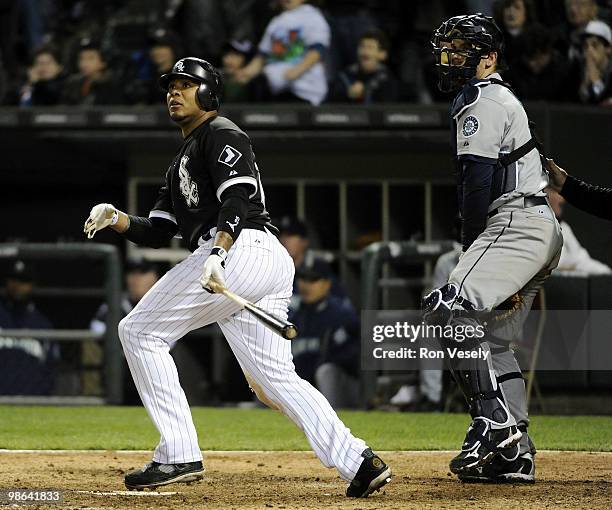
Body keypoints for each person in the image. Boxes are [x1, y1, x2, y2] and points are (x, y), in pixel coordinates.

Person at [83, 57, 391, 497]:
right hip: (252, 257)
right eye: (171, 85)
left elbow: (239, 197)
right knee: (273, 381)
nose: (175, 91)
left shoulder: (221, 132)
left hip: (240, 247)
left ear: (208, 94)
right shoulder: (178, 164)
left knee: (138, 331)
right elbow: (160, 228)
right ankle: (358, 461)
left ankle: (178, 453)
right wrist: (115, 218)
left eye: (187, 85)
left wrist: (220, 252)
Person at [427, 14, 563, 483]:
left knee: (448, 308)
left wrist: (470, 252)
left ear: (489, 58)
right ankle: (515, 453)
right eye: (448, 48)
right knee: (496, 341)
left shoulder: (482, 99)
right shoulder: (502, 98)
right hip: (537, 226)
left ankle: (493, 421)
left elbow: (476, 185)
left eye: (461, 48)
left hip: (516, 222)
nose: (450, 58)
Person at [289, 258, 360, 409]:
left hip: (347, 388)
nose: (306, 285)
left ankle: (332, 421)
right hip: (309, 389)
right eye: (303, 278)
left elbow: (354, 361)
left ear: (327, 284)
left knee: (326, 371)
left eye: (313, 279)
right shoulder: (295, 316)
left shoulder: (341, 314)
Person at [235, 0, 331, 105]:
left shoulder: (313, 17)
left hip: (304, 88)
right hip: (277, 87)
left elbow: (317, 50)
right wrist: (246, 73)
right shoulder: (276, 21)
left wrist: (298, 69)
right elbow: (262, 56)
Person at [0, 260, 58, 395]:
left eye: (23, 281)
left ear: (32, 285)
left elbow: (50, 369)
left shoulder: (42, 324)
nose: (17, 286)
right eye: (13, 279)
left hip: (31, 401)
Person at [547, 191, 611, 275]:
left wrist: (606, 273)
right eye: (557, 193)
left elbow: (581, 259)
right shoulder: (530, 226)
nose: (562, 201)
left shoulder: (564, 227)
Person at [331, 29, 399, 104]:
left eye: (370, 47)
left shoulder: (388, 78)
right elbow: (332, 103)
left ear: (382, 54)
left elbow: (389, 106)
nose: (365, 51)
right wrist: (347, 94)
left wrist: (365, 93)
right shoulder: (346, 75)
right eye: (362, 46)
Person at [60, 37, 123, 105]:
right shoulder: (72, 84)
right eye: (81, 58)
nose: (84, 63)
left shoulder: (113, 86)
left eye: (90, 58)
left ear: (103, 63)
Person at [547, 158, 612, 220]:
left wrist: (567, 185)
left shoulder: (565, 229)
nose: (561, 201)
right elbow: (603, 202)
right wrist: (566, 185)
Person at [578, 20, 612, 105]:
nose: (589, 51)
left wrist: (596, 82)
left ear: (608, 49)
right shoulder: (578, 69)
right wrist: (585, 84)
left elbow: (601, 106)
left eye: (595, 45)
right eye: (586, 46)